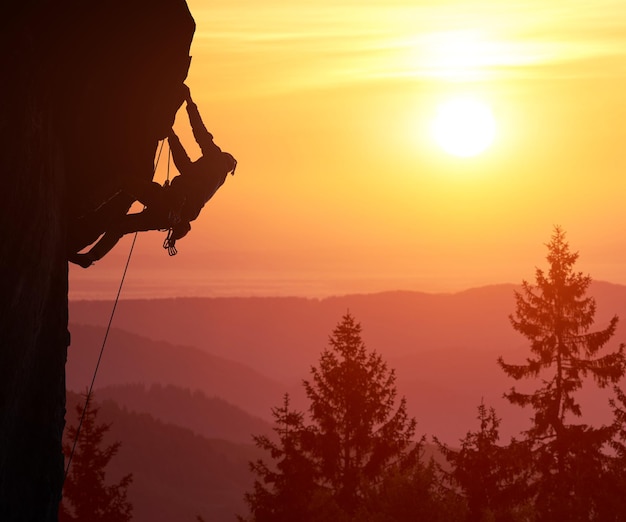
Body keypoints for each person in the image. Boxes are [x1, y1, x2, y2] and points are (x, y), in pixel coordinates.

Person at [69, 86, 236, 268]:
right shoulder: (212, 181)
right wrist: (172, 137)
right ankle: (92, 257)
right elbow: (186, 167)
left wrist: (189, 103)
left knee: (124, 182)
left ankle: (85, 207)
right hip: (169, 217)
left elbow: (199, 133)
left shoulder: (216, 157)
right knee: (120, 227)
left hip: (165, 200)